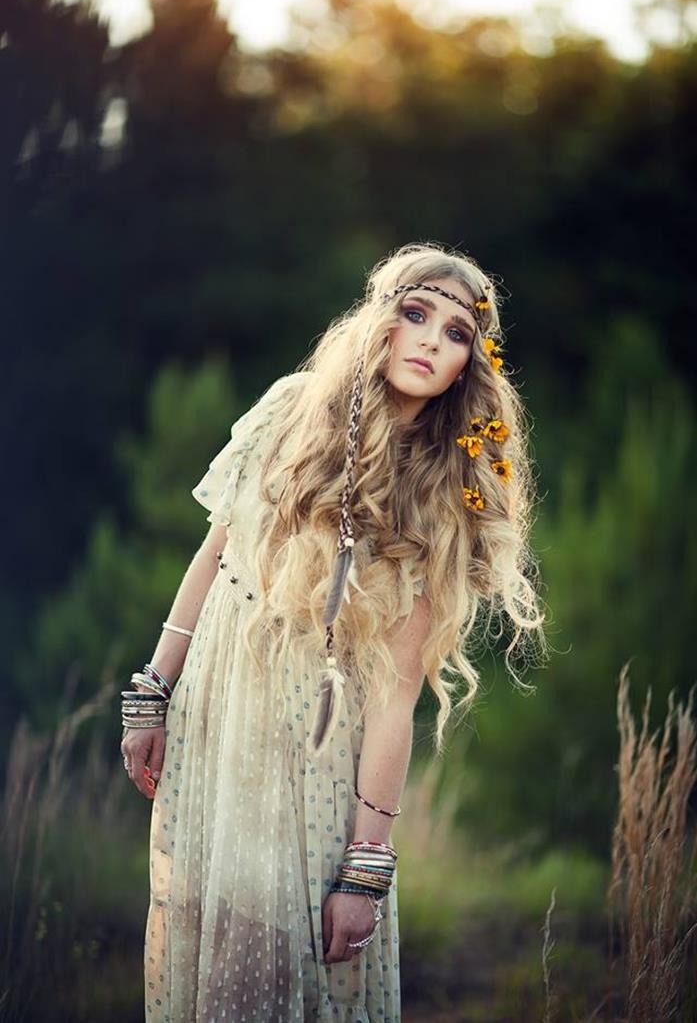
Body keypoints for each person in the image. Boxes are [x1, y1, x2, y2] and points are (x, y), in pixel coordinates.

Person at [120, 240, 547, 1022]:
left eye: (456, 333)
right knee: (204, 945)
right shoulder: (289, 407)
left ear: (467, 366)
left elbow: (394, 697)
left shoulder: (442, 493)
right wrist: (153, 688)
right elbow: (216, 552)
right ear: (378, 320)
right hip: (216, 718)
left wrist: (364, 870)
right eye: (415, 314)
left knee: (278, 977)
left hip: (312, 757)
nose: (429, 340)